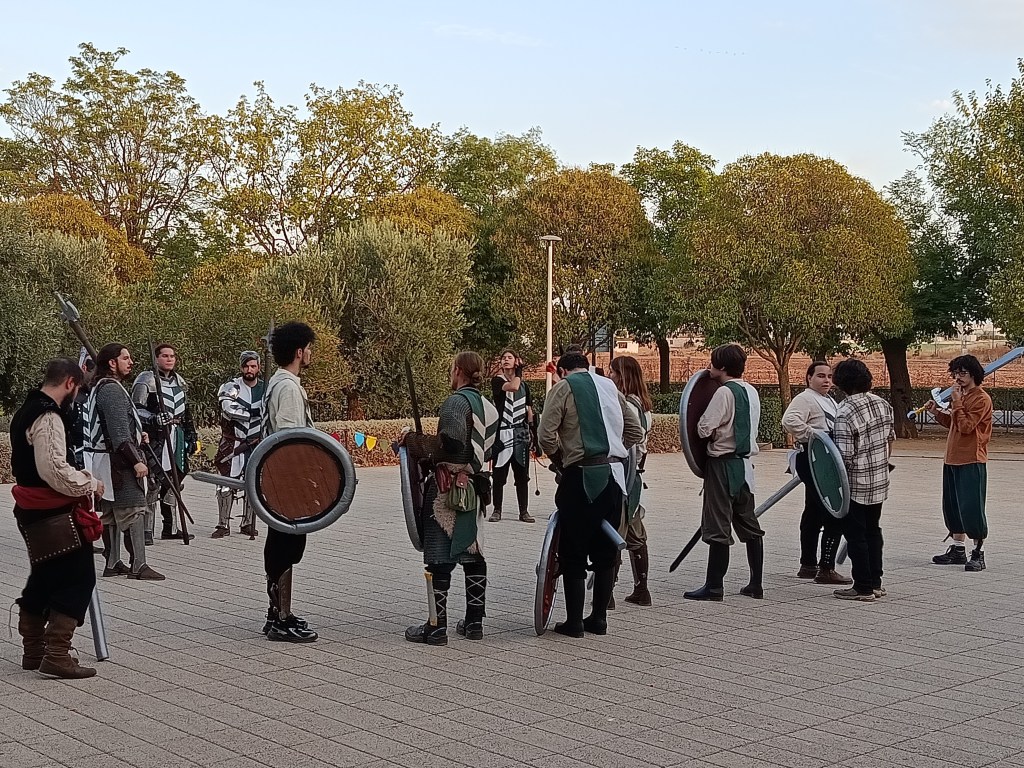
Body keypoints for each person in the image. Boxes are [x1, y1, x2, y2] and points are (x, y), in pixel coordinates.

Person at [538, 351, 643, 637]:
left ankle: (574, 623)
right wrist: (612, 449)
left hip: (581, 475)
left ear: (562, 371)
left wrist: (562, 460)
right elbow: (635, 432)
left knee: (573, 550)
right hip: (614, 477)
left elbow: (545, 436)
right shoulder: (610, 387)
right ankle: (598, 618)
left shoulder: (563, 387)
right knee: (606, 551)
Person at [12, 358, 104, 678]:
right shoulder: (48, 415)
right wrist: (89, 483)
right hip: (52, 511)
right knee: (78, 579)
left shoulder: (26, 409)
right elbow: (53, 469)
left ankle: (34, 651)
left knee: (44, 577)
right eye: (77, 388)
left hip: (34, 510)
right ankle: (56, 654)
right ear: (70, 383)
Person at [403, 351, 498, 646]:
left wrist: (413, 441)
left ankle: (436, 627)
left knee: (439, 558)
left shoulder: (456, 402)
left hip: (447, 491)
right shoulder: (489, 407)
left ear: (458, 370)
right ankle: (474, 623)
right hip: (475, 487)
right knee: (473, 554)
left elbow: (450, 444)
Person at [684, 344, 764, 602]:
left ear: (721, 367)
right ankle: (756, 584)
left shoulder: (724, 393)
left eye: (712, 363)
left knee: (718, 526)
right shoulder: (751, 391)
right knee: (750, 525)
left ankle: (714, 587)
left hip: (722, 465)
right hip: (745, 467)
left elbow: (703, 428)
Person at [86, 343, 165, 580]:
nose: (131, 362)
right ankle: (139, 565)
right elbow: (119, 435)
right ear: (112, 363)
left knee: (111, 511)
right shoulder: (110, 390)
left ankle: (113, 563)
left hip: (107, 458)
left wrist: (137, 432)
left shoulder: (104, 386)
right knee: (134, 509)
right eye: (125, 358)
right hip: (117, 461)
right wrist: (136, 461)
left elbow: (118, 427)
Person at [261, 322, 319, 642]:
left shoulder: (278, 382)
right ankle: (280, 618)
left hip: (279, 478)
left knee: (282, 543)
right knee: (286, 545)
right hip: (287, 479)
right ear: (299, 352)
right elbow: (289, 439)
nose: (310, 354)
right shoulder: (288, 388)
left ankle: (278, 612)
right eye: (308, 348)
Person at [781, 361, 851, 585]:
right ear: (809, 378)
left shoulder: (829, 400)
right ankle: (826, 567)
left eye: (829, 376)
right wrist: (817, 437)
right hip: (815, 460)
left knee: (813, 512)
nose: (826, 380)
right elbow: (789, 420)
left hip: (825, 461)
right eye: (821, 376)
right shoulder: (805, 398)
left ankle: (808, 564)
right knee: (833, 512)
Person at [831, 359, 894, 602]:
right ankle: (876, 583)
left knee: (856, 535)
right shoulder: (882, 403)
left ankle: (863, 587)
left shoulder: (844, 412)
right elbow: (890, 439)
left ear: (841, 383)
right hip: (879, 478)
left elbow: (844, 456)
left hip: (855, 483)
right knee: (873, 530)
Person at [929, 355, 993, 572]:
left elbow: (966, 426)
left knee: (971, 507)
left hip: (971, 459)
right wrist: (937, 412)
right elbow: (954, 423)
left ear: (974, 374)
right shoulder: (961, 396)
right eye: (955, 373)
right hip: (952, 458)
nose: (958, 377)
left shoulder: (981, 399)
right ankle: (958, 549)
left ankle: (978, 552)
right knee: (952, 506)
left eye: (962, 373)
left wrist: (956, 402)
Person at [132, 343, 196, 544]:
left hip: (176, 436)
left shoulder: (180, 381)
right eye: (165, 356)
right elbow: (135, 409)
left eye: (172, 356)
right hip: (155, 438)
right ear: (156, 358)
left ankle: (171, 527)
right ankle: (146, 530)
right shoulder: (145, 379)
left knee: (174, 481)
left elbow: (186, 413)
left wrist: (192, 435)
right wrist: (154, 419)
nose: (169, 359)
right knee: (153, 483)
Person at [608, 355, 654, 606]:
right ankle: (641, 590)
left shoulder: (627, 405)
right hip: (634, 475)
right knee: (635, 534)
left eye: (613, 372)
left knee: (615, 532)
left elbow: (627, 441)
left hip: (624, 474)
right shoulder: (644, 406)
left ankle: (607, 594)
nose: (610, 376)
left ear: (623, 376)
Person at [212, 351, 265, 539]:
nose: (249, 369)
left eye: (253, 366)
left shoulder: (266, 388)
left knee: (253, 484)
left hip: (257, 443)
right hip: (232, 442)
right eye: (246, 366)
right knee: (225, 484)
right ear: (241, 367)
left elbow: (273, 410)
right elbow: (229, 409)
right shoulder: (231, 386)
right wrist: (256, 412)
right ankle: (223, 524)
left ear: (259, 367)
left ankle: (247, 523)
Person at [489, 349, 536, 523]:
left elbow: (529, 410)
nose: (506, 360)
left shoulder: (525, 386)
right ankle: (497, 510)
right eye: (503, 358)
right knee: (499, 475)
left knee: (522, 476)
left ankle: (524, 511)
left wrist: (533, 434)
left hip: (520, 432)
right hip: (503, 432)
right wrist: (519, 372)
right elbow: (513, 387)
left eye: (510, 357)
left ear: (516, 360)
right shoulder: (497, 381)